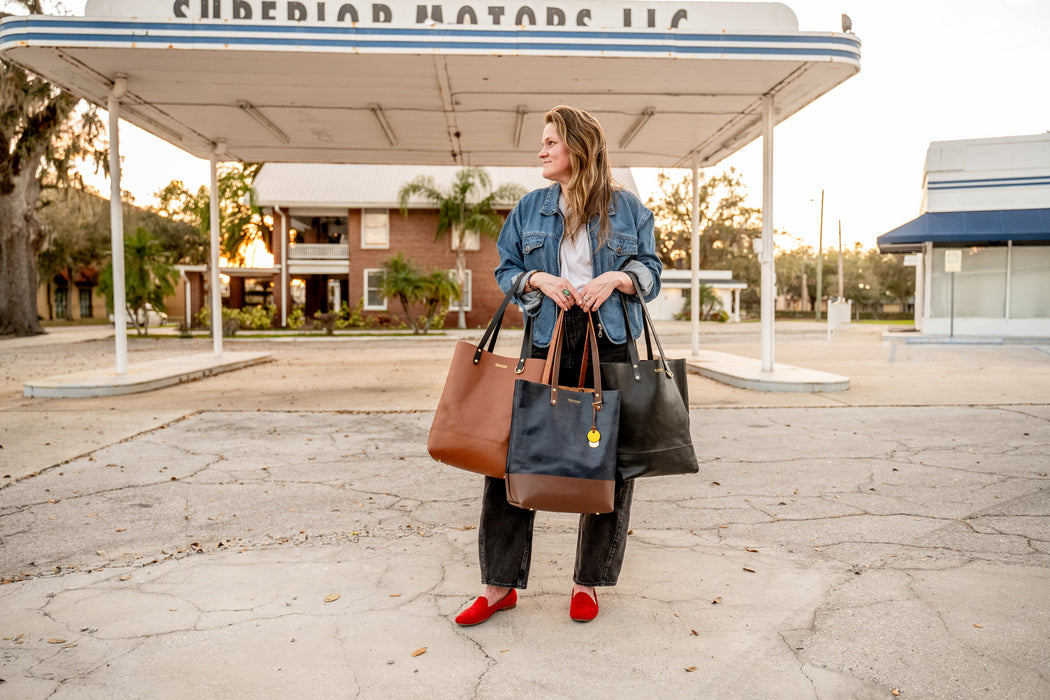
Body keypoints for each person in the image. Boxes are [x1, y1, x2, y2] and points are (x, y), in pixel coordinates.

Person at [455, 105, 663, 625]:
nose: (541, 151)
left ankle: (586, 582)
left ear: (579, 147)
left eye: (551, 142)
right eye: (543, 142)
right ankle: (497, 585)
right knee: (513, 457)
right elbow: (508, 267)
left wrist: (617, 279)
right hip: (546, 338)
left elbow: (651, 271)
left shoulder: (628, 209)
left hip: (609, 339)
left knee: (608, 463)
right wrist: (538, 281)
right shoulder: (529, 208)